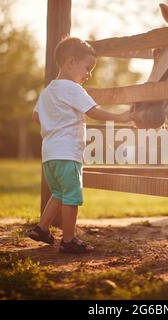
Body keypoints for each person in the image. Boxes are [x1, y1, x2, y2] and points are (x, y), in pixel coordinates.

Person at [27, 37, 133, 253]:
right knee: (72, 196)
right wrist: (120, 118)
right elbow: (93, 111)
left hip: (49, 155)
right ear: (70, 62)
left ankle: (41, 229)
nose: (89, 74)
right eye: (88, 68)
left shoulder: (48, 91)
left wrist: (55, 118)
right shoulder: (73, 89)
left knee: (58, 193)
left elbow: (35, 116)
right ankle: (68, 241)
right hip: (67, 153)